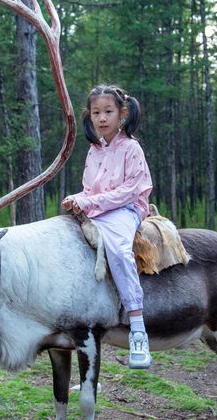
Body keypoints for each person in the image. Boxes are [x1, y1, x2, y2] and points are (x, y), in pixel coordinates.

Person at [62, 84, 153, 370]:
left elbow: (129, 191)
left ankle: (138, 328)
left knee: (117, 247)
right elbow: (89, 188)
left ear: (122, 113)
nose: (102, 118)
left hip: (126, 209)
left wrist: (91, 202)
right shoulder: (94, 151)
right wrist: (77, 199)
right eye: (96, 113)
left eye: (108, 112)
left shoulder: (130, 148)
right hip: (100, 208)